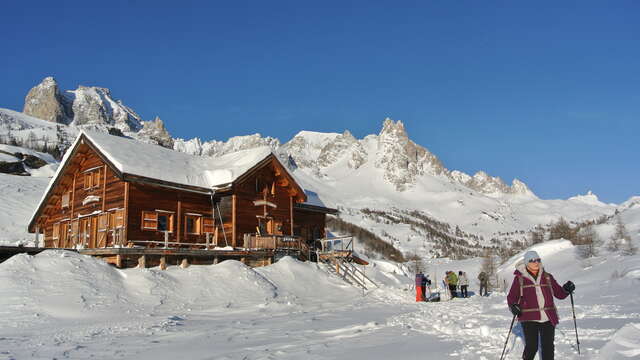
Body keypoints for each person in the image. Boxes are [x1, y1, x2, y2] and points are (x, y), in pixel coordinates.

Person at [507, 250, 575, 360]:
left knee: (548, 346)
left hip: (548, 316)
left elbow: (559, 294)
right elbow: (511, 297)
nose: (536, 262)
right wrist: (513, 306)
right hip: (529, 317)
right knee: (532, 347)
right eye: (532, 260)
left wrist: (566, 290)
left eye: (538, 260)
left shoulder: (547, 277)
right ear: (526, 263)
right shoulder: (519, 279)